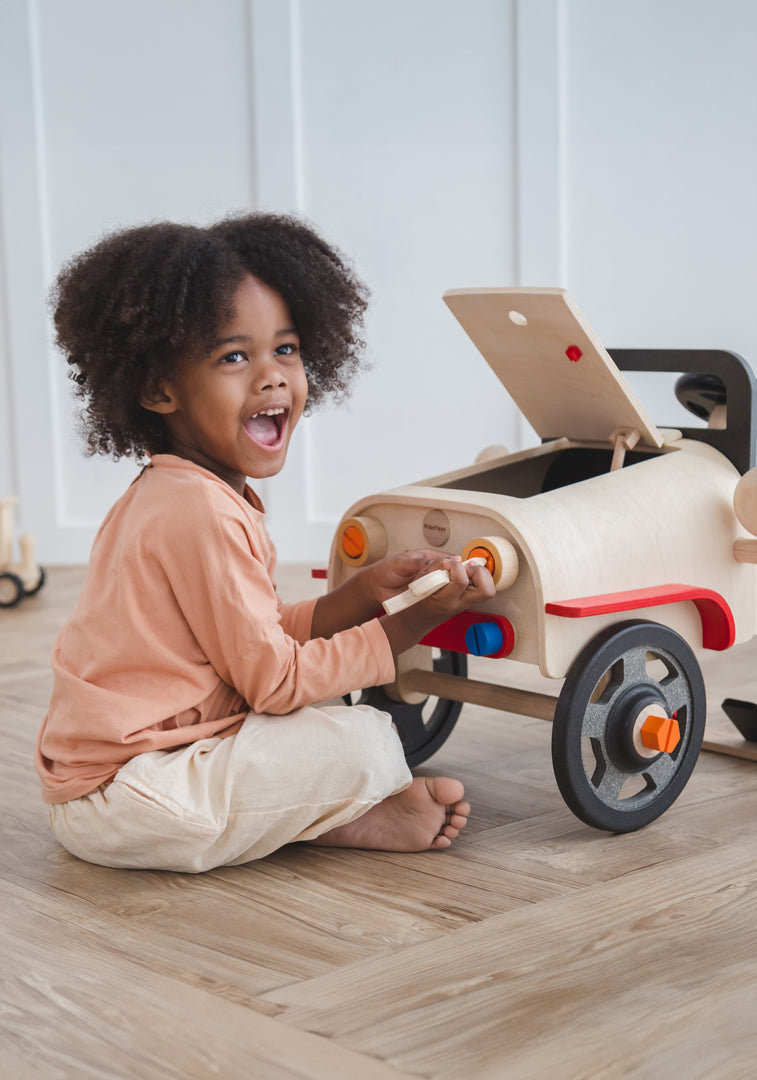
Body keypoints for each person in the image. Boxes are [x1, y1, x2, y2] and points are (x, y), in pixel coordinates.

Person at [34, 212, 495, 872]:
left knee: (340, 724)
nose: (274, 376)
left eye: (286, 349)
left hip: (149, 770)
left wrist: (363, 595)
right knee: (366, 742)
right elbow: (276, 684)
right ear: (158, 388)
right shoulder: (198, 512)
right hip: (130, 795)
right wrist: (414, 622)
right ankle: (326, 820)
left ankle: (315, 817)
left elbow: (254, 643)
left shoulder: (187, 493)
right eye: (234, 357)